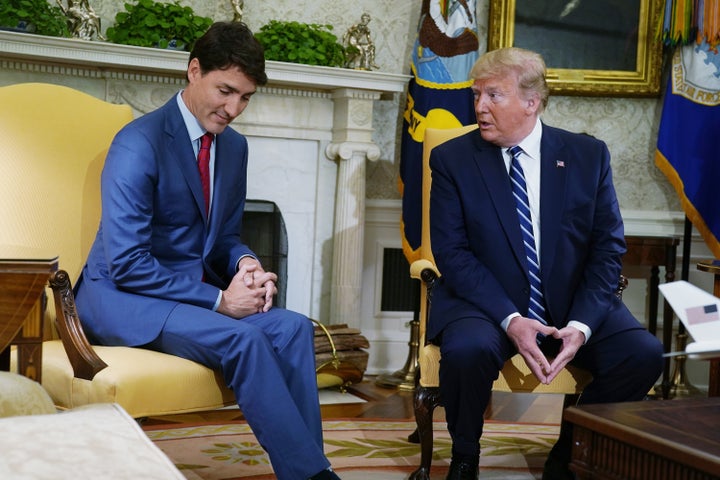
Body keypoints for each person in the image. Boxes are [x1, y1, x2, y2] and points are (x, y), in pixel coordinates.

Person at [74, 21, 341, 480]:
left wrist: (246, 263)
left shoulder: (233, 149)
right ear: (193, 71)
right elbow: (127, 263)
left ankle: (305, 470)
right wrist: (222, 300)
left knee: (295, 329)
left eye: (245, 97)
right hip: (123, 299)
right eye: (225, 90)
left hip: (186, 297)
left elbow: (222, 239)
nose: (234, 108)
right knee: (245, 337)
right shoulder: (138, 143)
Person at [427, 47, 663, 480]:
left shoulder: (587, 156)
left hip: (571, 300)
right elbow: (453, 254)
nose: (479, 106)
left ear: (531, 102)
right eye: (476, 95)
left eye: (493, 96)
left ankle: (569, 455)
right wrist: (511, 318)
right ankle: (464, 457)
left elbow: (606, 249)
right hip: (486, 303)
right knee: (467, 350)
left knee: (642, 354)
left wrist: (582, 326)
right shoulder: (452, 160)